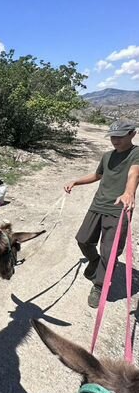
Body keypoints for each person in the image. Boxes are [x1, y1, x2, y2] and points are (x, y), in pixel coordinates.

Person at [64, 119, 139, 308]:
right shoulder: (107, 156)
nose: (115, 140)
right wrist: (76, 181)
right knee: (83, 239)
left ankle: (99, 285)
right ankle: (95, 262)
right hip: (98, 204)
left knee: (110, 251)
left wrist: (129, 192)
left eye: (120, 137)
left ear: (132, 134)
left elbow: (134, 174)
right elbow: (98, 175)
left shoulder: (136, 154)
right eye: (113, 136)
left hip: (118, 209)